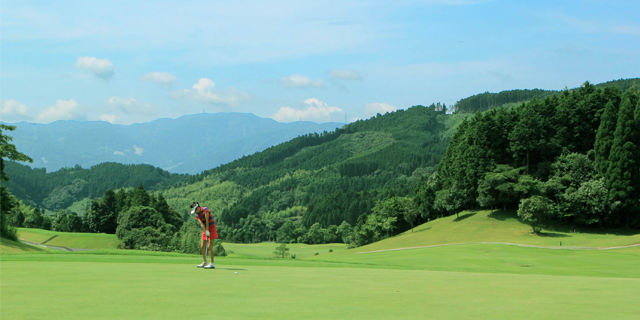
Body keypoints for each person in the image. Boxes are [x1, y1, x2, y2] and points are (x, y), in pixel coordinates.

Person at [190, 202, 218, 269]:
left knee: (209, 246)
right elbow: (202, 224)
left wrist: (208, 230)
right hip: (205, 229)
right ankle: (204, 262)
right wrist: (205, 231)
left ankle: (212, 263)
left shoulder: (206, 210)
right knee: (202, 246)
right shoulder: (197, 215)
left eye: (196, 210)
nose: (195, 212)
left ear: (198, 207)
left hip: (211, 227)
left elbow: (207, 220)